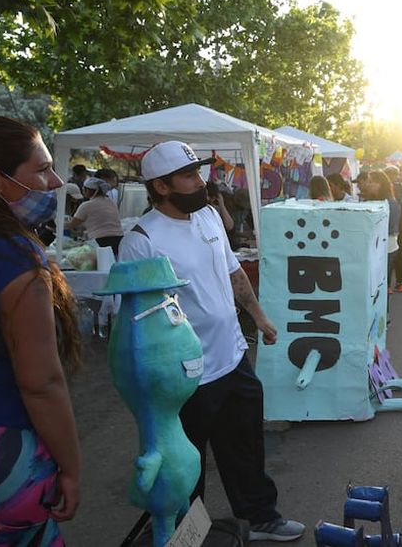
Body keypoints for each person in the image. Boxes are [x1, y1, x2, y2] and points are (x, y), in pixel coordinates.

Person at [119, 140, 304, 541]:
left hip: (233, 357)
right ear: (161, 186)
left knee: (245, 447)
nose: (200, 181)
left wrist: (258, 316)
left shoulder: (208, 217)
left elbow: (233, 272)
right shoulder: (141, 240)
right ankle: (188, 533)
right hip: (184, 376)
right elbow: (138, 323)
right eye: (188, 176)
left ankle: (260, 517)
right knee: (187, 464)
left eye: (198, 172)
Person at [0, 115, 82, 543]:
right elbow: (41, 382)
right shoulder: (13, 257)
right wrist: (71, 467)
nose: (55, 181)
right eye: (42, 169)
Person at [362, 171, 402, 294]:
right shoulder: (378, 202)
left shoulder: (389, 203)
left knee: (381, 285)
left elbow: (389, 229)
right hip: (381, 247)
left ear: (380, 184)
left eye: (371, 182)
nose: (367, 184)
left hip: (386, 247)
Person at [66, 176, 125, 255]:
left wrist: (56, 226)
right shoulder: (111, 202)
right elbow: (100, 221)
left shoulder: (87, 205)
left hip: (101, 241)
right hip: (119, 240)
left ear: (89, 190)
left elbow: (72, 225)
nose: (83, 190)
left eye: (85, 189)